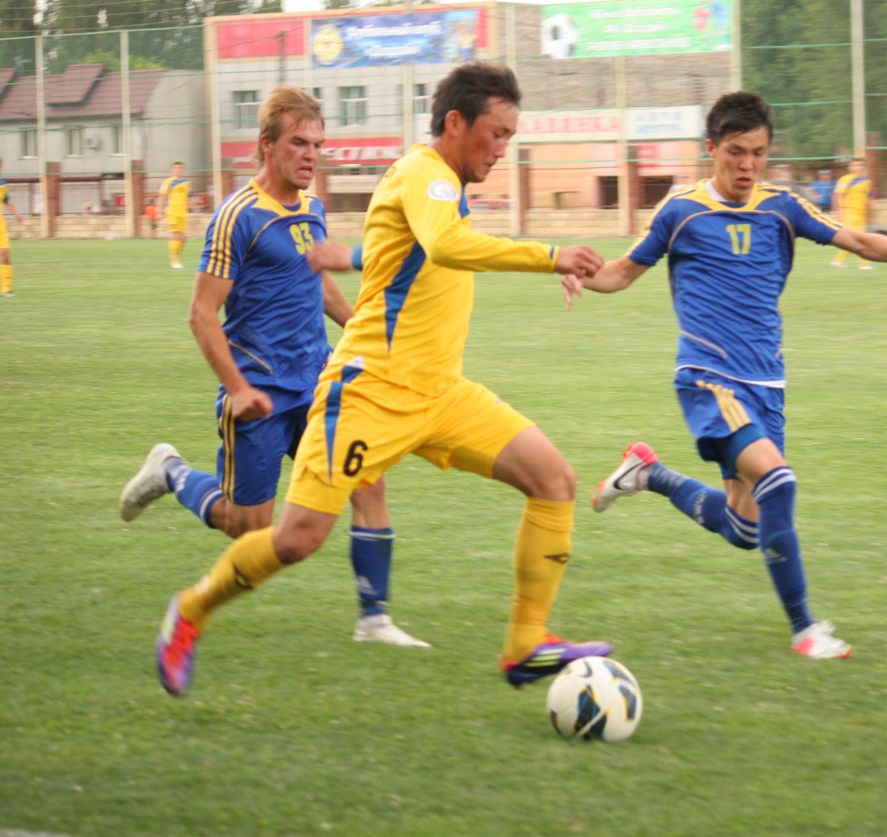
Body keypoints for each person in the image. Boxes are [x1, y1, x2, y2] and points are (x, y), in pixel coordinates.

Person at [154, 63, 610, 697]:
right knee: (295, 539)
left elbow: (405, 252)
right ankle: (190, 611)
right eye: (497, 134)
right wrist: (552, 257)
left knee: (555, 481)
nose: (502, 149)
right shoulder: (425, 173)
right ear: (456, 123)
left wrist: (349, 257)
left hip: (442, 392)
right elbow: (447, 246)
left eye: (510, 137)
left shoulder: (441, 186)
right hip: (369, 393)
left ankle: (525, 642)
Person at [565, 92, 887, 661]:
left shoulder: (783, 207)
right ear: (712, 148)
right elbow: (622, 273)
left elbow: (857, 240)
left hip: (767, 384)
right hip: (709, 377)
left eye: (758, 152)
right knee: (779, 482)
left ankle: (649, 475)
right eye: (736, 152)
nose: (747, 165)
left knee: (745, 529)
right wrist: (574, 270)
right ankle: (806, 629)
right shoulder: (681, 212)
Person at [123, 86, 426, 648]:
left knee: (367, 481)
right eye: (298, 143)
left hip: (319, 383)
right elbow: (201, 314)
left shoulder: (312, 208)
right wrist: (237, 389)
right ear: (266, 144)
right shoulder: (237, 216)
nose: (311, 155)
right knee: (249, 529)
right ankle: (171, 472)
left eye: (318, 145)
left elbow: (317, 283)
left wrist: (368, 330)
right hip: (259, 390)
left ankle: (374, 620)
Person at [830, 158, 874, 269]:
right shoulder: (845, 179)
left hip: (861, 214)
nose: (857, 168)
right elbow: (837, 195)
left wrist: (870, 211)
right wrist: (837, 211)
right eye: (854, 165)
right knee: (860, 239)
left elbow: (868, 197)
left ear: (863, 167)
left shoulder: (866, 181)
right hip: (849, 213)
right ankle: (863, 264)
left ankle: (839, 261)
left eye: (860, 165)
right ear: (849, 167)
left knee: (856, 240)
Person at [157, 161, 191, 269]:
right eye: (176, 168)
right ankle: (175, 260)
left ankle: (175, 255)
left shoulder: (186, 182)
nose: (178, 170)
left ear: (183, 169)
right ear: (172, 169)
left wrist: (195, 209)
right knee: (175, 235)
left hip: (183, 213)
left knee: (183, 238)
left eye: (180, 168)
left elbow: (188, 197)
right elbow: (162, 197)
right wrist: (160, 210)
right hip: (172, 212)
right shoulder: (167, 182)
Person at [0, 158, 23, 298]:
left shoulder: (3, 184)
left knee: (5, 255)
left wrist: (16, 213)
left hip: (0, 224)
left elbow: (6, 202)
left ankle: (6, 289)